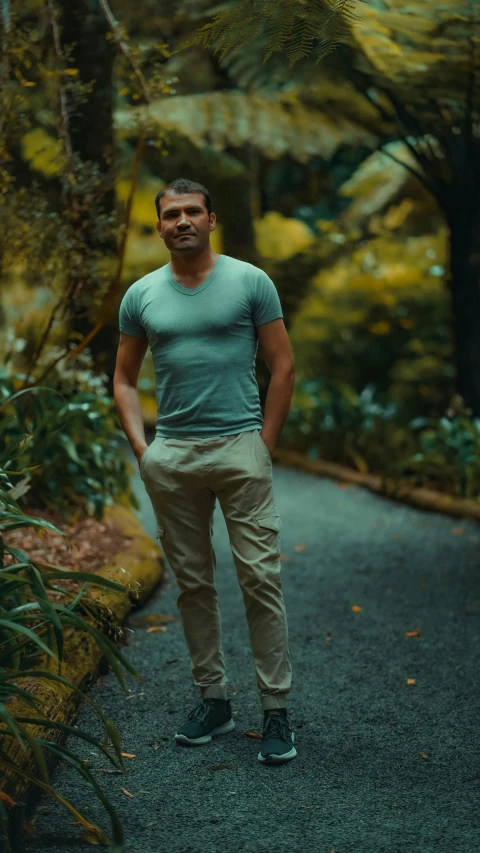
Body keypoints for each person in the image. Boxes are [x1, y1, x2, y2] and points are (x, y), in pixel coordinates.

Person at [114, 177, 297, 764]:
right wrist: (146, 451)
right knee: (193, 584)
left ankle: (275, 709)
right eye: (172, 214)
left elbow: (282, 365)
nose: (183, 221)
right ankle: (214, 699)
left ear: (212, 220)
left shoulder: (250, 281)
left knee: (259, 579)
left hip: (240, 447)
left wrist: (263, 444)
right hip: (175, 456)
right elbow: (122, 378)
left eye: (194, 211)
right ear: (161, 226)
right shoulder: (141, 295)